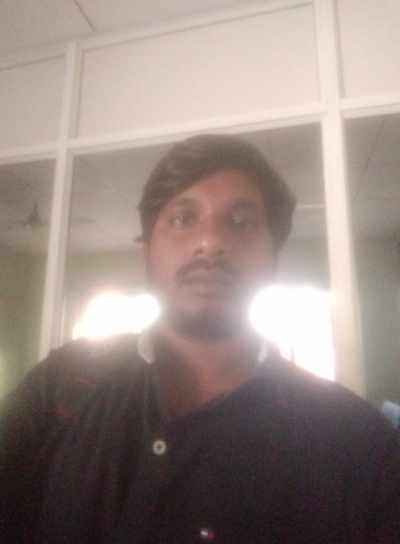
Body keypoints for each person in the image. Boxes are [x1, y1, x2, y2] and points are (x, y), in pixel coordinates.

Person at [1, 134, 399, 543]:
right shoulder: (60, 385)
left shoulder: (358, 443)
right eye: (182, 219)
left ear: (273, 258)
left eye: (241, 222)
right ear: (147, 251)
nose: (210, 243)